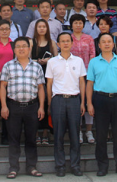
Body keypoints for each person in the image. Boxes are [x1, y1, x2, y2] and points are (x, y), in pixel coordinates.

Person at [86, 33, 117, 176]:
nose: (106, 44)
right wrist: (89, 103)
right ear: (99, 45)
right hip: (100, 99)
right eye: (103, 42)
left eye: (109, 41)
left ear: (113, 45)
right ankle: (102, 166)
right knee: (101, 135)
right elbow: (90, 84)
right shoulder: (94, 62)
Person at [0, 36, 46, 178]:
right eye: (18, 46)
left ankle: (31, 166)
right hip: (13, 106)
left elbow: (41, 88)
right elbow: (2, 86)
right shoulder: (8, 66)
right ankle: (13, 168)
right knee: (14, 138)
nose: (21, 49)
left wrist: (41, 107)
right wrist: (3, 106)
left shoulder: (36, 67)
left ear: (29, 48)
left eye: (24, 46)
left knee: (31, 138)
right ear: (14, 49)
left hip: (32, 106)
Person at [46, 32, 86, 177]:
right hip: (58, 99)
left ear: (72, 43)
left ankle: (75, 165)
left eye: (68, 41)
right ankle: (60, 166)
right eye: (62, 41)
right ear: (58, 44)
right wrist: (50, 103)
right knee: (58, 135)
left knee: (75, 134)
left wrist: (82, 102)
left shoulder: (78, 61)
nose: (65, 43)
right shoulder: (52, 62)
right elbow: (49, 83)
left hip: (74, 99)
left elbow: (82, 82)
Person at [69, 14, 95, 145]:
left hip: (87, 73)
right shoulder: (68, 38)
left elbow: (92, 54)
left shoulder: (89, 38)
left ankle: (89, 131)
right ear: (71, 25)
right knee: (77, 102)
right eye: (75, 23)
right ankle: (78, 130)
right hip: (72, 74)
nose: (78, 25)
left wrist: (91, 72)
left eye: (80, 23)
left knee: (88, 100)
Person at [30, 19, 57, 145]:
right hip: (34, 75)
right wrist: (38, 62)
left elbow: (57, 59)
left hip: (48, 75)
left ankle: (45, 133)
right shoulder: (31, 42)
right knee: (35, 103)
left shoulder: (52, 42)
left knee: (47, 103)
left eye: (44, 27)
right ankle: (36, 133)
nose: (42, 29)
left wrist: (48, 61)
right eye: (39, 26)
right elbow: (27, 59)